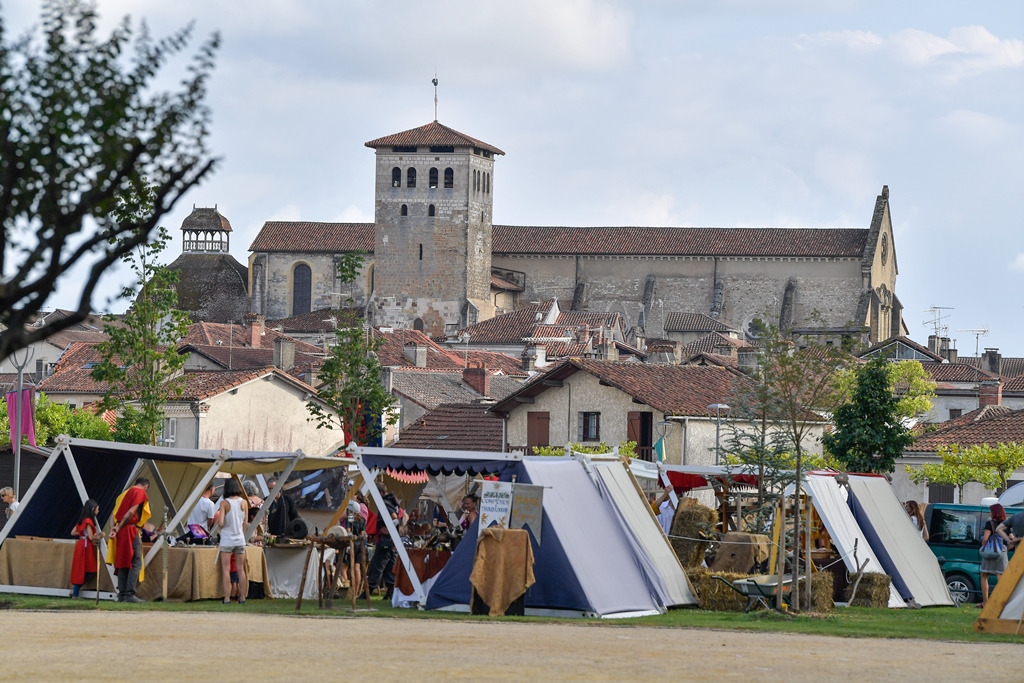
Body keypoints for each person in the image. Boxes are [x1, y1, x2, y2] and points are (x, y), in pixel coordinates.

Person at [110, 477, 150, 603]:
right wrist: (120, 526)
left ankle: (122, 594)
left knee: (123, 561)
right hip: (130, 530)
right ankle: (129, 594)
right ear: (146, 486)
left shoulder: (125, 493)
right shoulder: (139, 492)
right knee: (136, 561)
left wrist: (115, 528)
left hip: (121, 530)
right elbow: (131, 511)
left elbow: (114, 514)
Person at [367, 482, 400, 598]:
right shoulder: (391, 502)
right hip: (390, 541)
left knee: (377, 565)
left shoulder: (385, 503)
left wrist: (390, 530)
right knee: (389, 568)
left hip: (385, 541)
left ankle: (368, 591)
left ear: (380, 493)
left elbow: (396, 519)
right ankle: (390, 593)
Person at [218, 478, 249, 605]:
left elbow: (220, 523)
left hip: (227, 539)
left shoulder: (224, 503)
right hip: (239, 539)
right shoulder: (244, 503)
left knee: (226, 570)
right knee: (241, 569)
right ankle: (242, 597)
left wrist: (223, 524)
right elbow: (245, 523)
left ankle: (227, 598)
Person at [980, 503, 1011, 608]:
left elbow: (985, 538)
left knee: (984, 575)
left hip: (990, 551)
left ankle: (985, 602)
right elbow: (1011, 538)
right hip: (1002, 552)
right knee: (1000, 575)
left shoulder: (990, 523)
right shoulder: (1006, 524)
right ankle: (1002, 602)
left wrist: (984, 547)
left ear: (994, 512)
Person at [70, 499, 103, 598]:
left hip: (81, 544)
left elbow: (73, 532)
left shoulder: (82, 520)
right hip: (85, 546)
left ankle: (75, 591)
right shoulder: (88, 521)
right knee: (91, 570)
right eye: (97, 509)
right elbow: (91, 537)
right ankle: (75, 591)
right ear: (93, 509)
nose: (98, 511)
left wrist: (81, 534)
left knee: (81, 569)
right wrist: (100, 536)